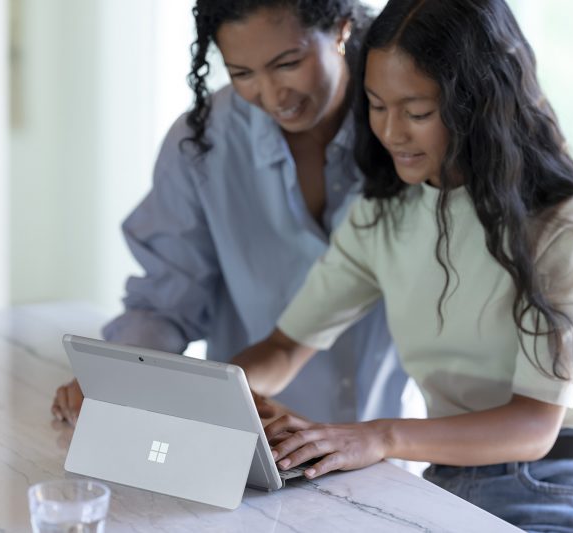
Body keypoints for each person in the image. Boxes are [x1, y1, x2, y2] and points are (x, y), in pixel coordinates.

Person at [230, 0, 573, 531]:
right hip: (449, 478)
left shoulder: (563, 221)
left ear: (478, 104)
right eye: (376, 106)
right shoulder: (384, 215)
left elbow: (535, 424)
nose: (391, 132)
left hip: (555, 480)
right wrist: (225, 391)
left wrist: (379, 436)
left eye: (416, 112)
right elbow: (285, 348)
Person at [50, 0, 409, 428]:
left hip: (387, 438)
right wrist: (118, 375)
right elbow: (167, 302)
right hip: (248, 433)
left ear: (340, 30)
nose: (273, 96)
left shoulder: (407, 134)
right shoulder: (201, 144)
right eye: (242, 73)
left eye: (288, 64)